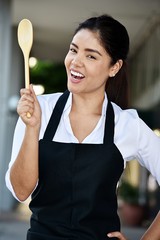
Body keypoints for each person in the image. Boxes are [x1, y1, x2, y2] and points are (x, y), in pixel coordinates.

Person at [5, 14, 160, 240]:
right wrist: (32, 128)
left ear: (114, 67)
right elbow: (21, 191)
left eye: (91, 56)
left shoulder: (127, 125)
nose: (76, 62)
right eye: (73, 50)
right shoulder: (39, 110)